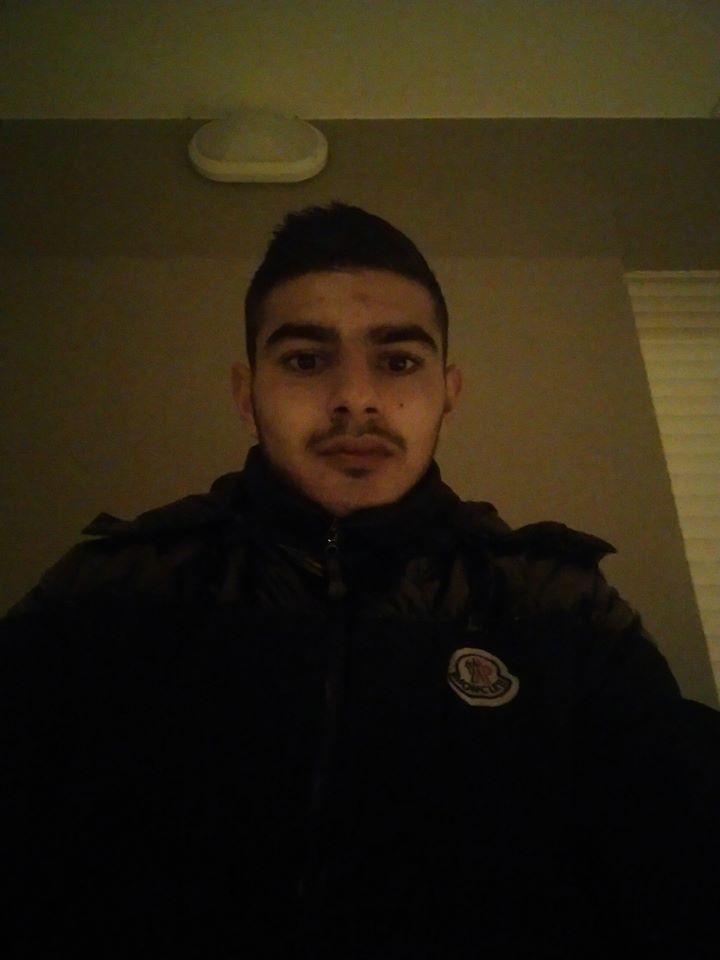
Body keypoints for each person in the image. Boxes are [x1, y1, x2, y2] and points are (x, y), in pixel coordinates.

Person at [2, 203, 718, 959]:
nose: (357, 397)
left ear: (449, 392)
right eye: (305, 360)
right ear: (247, 395)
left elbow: (677, 870)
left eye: (399, 362)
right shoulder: (112, 586)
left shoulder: (561, 606)